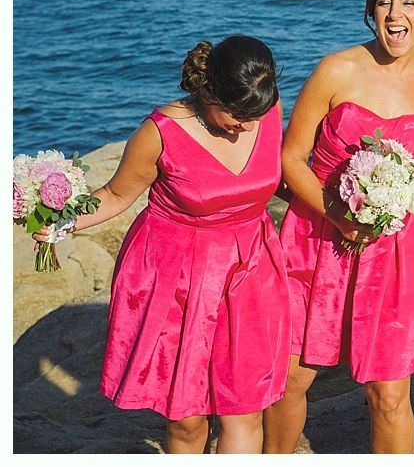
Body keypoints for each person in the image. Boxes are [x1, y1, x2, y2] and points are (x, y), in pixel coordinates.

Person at [262, 0, 414, 454]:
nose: (394, 14)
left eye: (408, 2)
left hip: (396, 255)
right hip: (316, 240)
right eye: (383, 2)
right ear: (370, 11)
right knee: (292, 378)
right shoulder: (336, 69)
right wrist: (334, 212)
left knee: (388, 392)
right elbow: (291, 158)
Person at [33, 35, 289, 453]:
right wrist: (61, 221)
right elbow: (116, 195)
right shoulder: (160, 133)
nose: (246, 125)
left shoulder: (264, 111)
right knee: (187, 418)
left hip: (252, 271)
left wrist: (336, 210)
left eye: (255, 114)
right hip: (177, 279)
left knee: (243, 408)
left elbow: (273, 178)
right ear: (208, 91)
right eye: (235, 115)